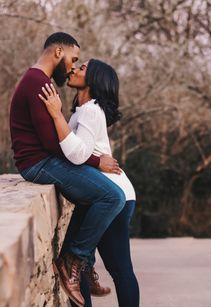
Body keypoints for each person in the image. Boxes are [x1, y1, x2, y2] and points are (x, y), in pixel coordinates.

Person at [9, 32, 127, 307]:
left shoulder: (38, 80)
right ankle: (74, 259)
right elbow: (53, 144)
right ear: (58, 52)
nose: (73, 66)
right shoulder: (38, 83)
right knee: (112, 197)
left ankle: (80, 262)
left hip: (43, 161)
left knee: (98, 195)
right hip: (39, 164)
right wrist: (97, 162)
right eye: (73, 59)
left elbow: (56, 140)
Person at [38, 59, 140, 307]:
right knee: (78, 265)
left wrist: (54, 114)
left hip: (112, 197)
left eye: (81, 68)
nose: (73, 69)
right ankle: (85, 267)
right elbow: (73, 151)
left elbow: (77, 154)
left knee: (111, 267)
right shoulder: (82, 111)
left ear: (94, 79)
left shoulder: (92, 111)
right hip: (99, 195)